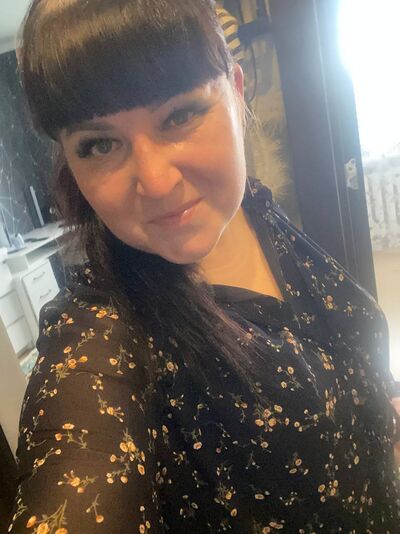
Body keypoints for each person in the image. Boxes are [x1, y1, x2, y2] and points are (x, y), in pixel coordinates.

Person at [7, 1, 400, 532]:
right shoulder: (101, 335)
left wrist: (379, 413)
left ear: (236, 90)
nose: (156, 182)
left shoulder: (248, 207)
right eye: (99, 144)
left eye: (180, 115)